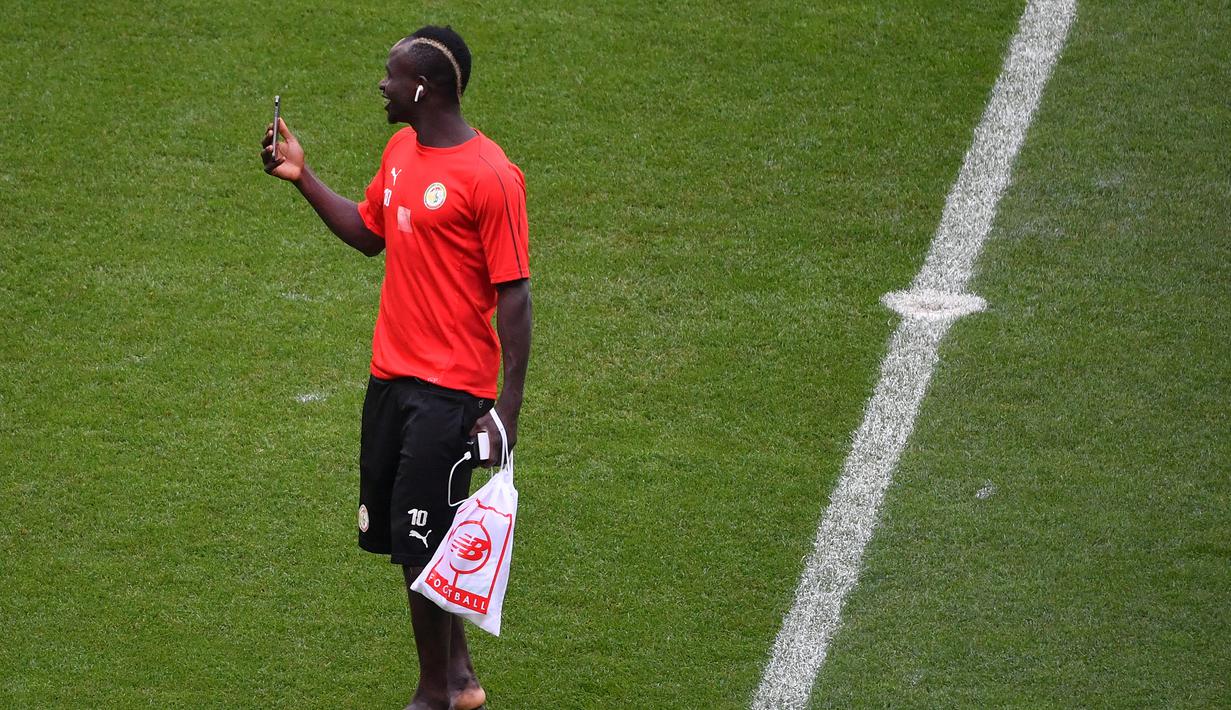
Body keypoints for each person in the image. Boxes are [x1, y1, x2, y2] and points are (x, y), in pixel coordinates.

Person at [260, 24, 531, 710]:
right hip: (391, 381)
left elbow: (515, 296)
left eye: (392, 75)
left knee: (420, 542)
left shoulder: (491, 176)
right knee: (413, 537)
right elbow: (368, 232)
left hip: (451, 390)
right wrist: (302, 177)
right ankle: (461, 681)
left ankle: (433, 693)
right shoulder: (401, 151)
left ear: (422, 88)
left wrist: (507, 409)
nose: (382, 85)